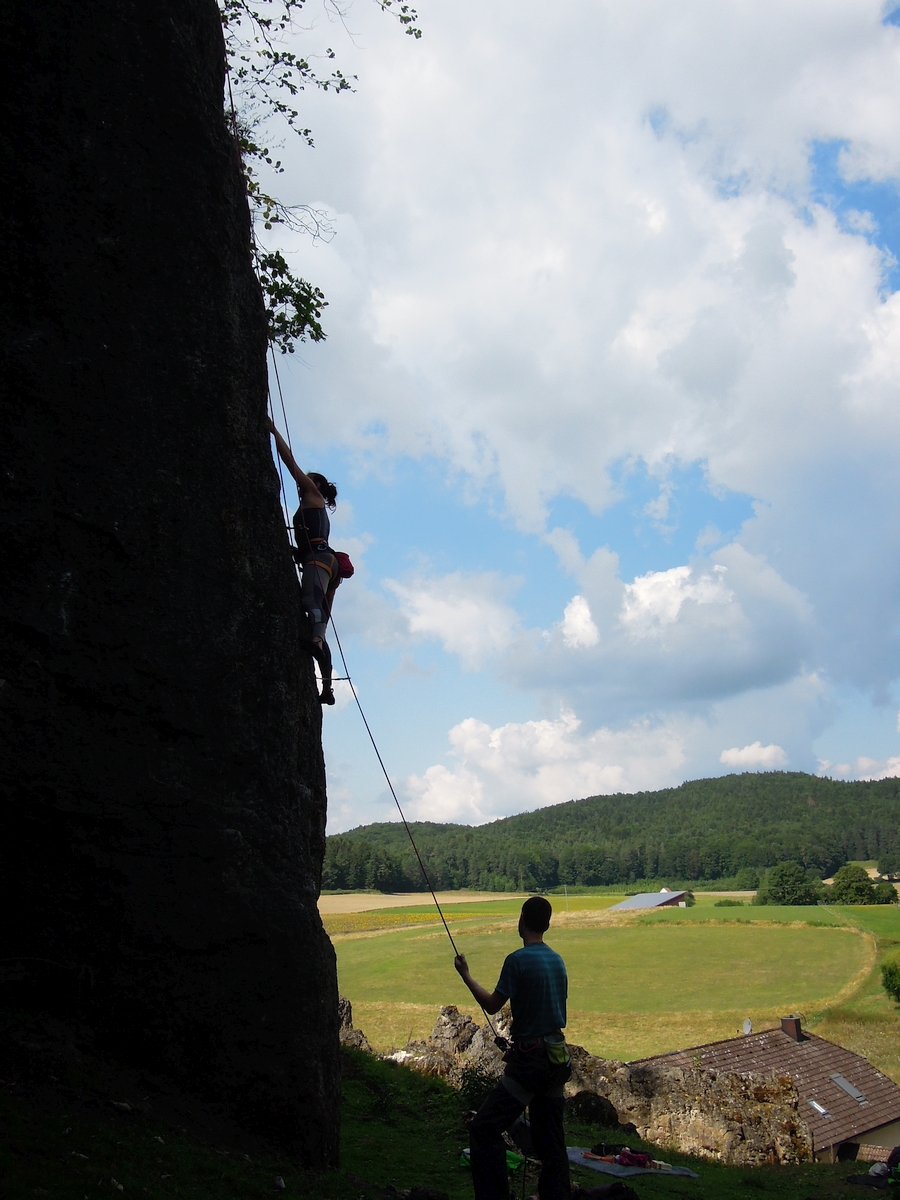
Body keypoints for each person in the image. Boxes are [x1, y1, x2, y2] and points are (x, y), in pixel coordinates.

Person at [454, 896, 571, 1200]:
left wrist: (466, 975)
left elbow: (493, 1006)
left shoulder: (516, 960)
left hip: (530, 1063)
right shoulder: (557, 960)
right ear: (546, 924)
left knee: (484, 1128)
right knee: (552, 1144)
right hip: (557, 1057)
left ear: (521, 921)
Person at [267, 417, 340, 705]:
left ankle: (317, 643)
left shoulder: (312, 494)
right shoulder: (315, 507)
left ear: (317, 484)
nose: (304, 484)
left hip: (319, 559)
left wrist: (274, 432)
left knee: (311, 603)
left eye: (311, 480)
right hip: (327, 561)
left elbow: (290, 463)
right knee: (319, 616)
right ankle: (326, 688)